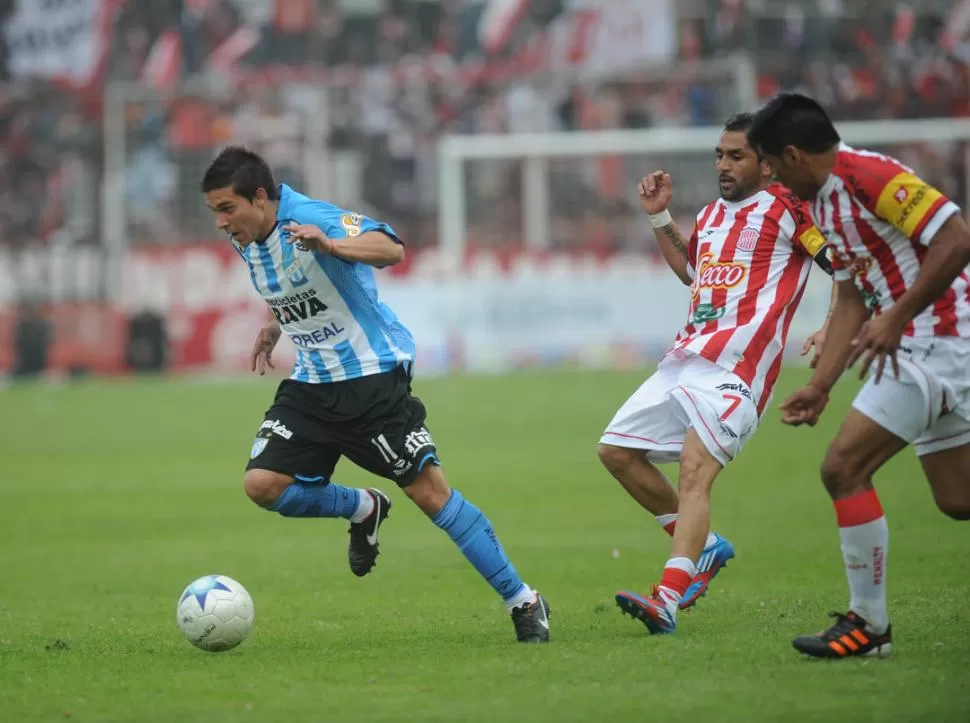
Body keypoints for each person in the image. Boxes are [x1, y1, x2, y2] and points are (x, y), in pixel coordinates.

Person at [200, 146, 551, 643]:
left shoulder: (311, 218)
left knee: (430, 494)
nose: (220, 223)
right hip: (312, 383)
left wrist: (332, 246)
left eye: (226, 209)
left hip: (370, 378)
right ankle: (363, 507)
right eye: (214, 211)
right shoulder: (248, 234)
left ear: (260, 197)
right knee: (262, 484)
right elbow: (289, 280)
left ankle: (525, 601)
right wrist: (274, 323)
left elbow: (391, 247)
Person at [748, 92, 970, 659]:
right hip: (914, 346)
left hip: (941, 342)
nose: (768, 175)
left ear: (793, 154)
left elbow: (958, 237)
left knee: (843, 467)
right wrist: (820, 386)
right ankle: (869, 627)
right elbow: (849, 294)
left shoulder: (872, 176)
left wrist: (896, 314)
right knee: (957, 499)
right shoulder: (820, 203)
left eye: (770, 163)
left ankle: (869, 627)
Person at [600, 113, 833, 635]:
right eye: (719, 155)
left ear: (767, 164)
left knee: (693, 471)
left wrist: (831, 325)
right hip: (684, 359)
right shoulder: (709, 215)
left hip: (737, 372)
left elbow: (841, 263)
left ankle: (666, 599)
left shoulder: (788, 209)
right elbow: (693, 273)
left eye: (736, 156)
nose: (723, 166)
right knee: (615, 452)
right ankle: (703, 548)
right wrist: (661, 219)